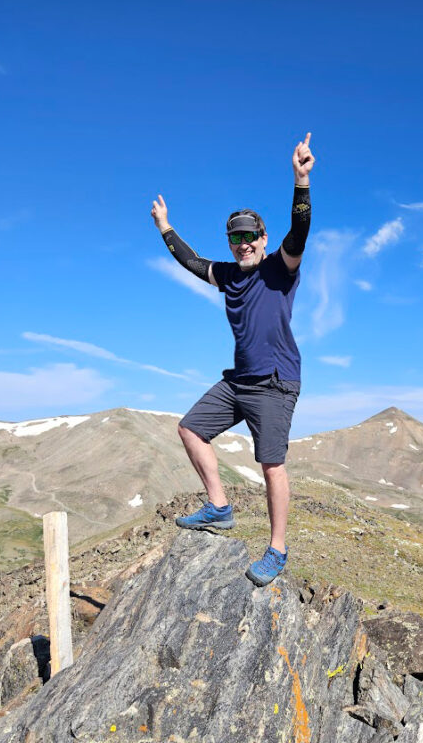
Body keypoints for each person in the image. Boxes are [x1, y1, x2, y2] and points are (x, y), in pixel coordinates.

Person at [150, 133, 315, 586]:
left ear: (263, 240)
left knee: (271, 466)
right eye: (235, 237)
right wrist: (165, 227)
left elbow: (298, 231)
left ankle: (277, 549)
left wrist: (301, 181)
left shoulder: (280, 266)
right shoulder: (226, 275)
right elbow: (190, 261)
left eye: (250, 237)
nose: (243, 244)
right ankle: (219, 507)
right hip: (238, 380)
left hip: (275, 382)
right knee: (190, 428)